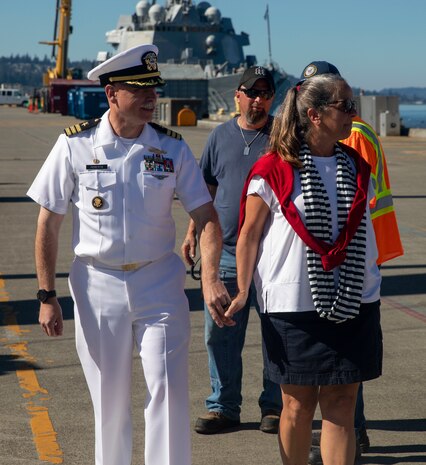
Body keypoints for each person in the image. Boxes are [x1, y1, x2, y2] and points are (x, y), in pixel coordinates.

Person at [27, 44, 232, 465]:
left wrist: (210, 277)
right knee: (110, 400)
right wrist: (46, 295)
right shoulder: (74, 146)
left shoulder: (171, 148)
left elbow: (206, 216)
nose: (150, 99)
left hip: (159, 282)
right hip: (96, 284)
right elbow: (48, 222)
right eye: (138, 90)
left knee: (170, 391)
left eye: (152, 89)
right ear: (111, 94)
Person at [226, 73, 383, 465]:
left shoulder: (359, 167)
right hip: (293, 304)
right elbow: (248, 236)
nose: (353, 113)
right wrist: (243, 290)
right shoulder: (274, 169)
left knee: (343, 403)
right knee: (296, 405)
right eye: (345, 106)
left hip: (353, 299)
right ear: (314, 115)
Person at [298, 61, 404, 462]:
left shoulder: (352, 138)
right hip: (364, 248)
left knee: (343, 373)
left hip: (355, 255)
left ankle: (352, 435)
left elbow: (345, 201)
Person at [181, 66, 282, 435]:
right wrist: (193, 231)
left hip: (272, 256)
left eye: (265, 92)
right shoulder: (219, 136)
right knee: (220, 332)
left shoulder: (284, 137)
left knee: (277, 334)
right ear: (237, 95)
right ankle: (223, 406)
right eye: (251, 92)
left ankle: (275, 406)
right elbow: (205, 190)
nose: (258, 99)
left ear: (273, 97)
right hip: (224, 251)